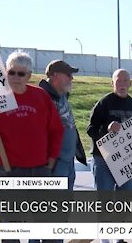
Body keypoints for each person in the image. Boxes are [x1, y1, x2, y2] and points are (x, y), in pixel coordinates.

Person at [0, 51, 64, 243]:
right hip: (7, 170)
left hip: (39, 171)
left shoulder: (40, 97)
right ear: (5, 72)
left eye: (21, 74)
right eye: (12, 72)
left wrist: (52, 158)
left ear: (29, 76)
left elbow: (56, 130)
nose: (16, 77)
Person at [87, 69, 132, 192]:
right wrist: (106, 130)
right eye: (118, 81)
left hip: (126, 159)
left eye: (125, 81)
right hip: (104, 158)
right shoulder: (103, 103)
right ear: (112, 83)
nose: (122, 84)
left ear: (130, 83)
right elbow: (91, 130)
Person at [39, 59, 87, 191]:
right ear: (54, 75)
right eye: (68, 74)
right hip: (54, 162)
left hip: (68, 159)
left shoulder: (62, 95)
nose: (71, 78)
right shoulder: (42, 97)